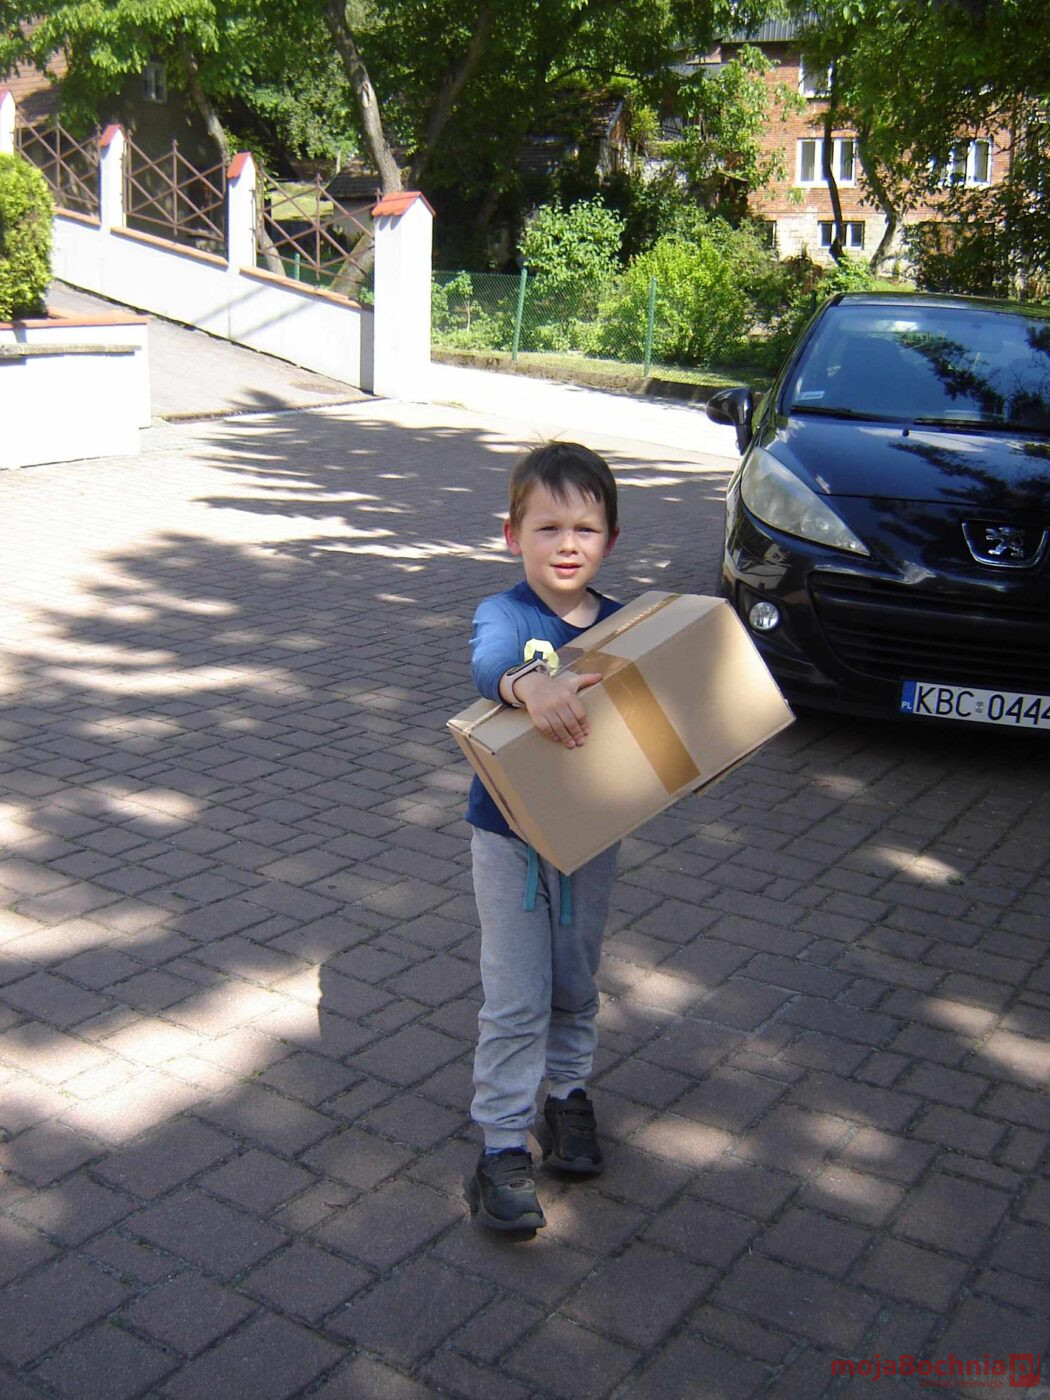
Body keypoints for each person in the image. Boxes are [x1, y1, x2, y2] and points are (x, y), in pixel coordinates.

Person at [463, 440, 623, 1232]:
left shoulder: (626, 628)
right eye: (547, 527)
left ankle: (567, 1097)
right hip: (509, 838)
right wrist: (529, 683)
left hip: (591, 836)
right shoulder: (507, 615)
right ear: (512, 536)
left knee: (575, 978)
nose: (567, 545)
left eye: (584, 529)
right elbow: (489, 661)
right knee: (516, 993)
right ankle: (500, 1145)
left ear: (610, 541)